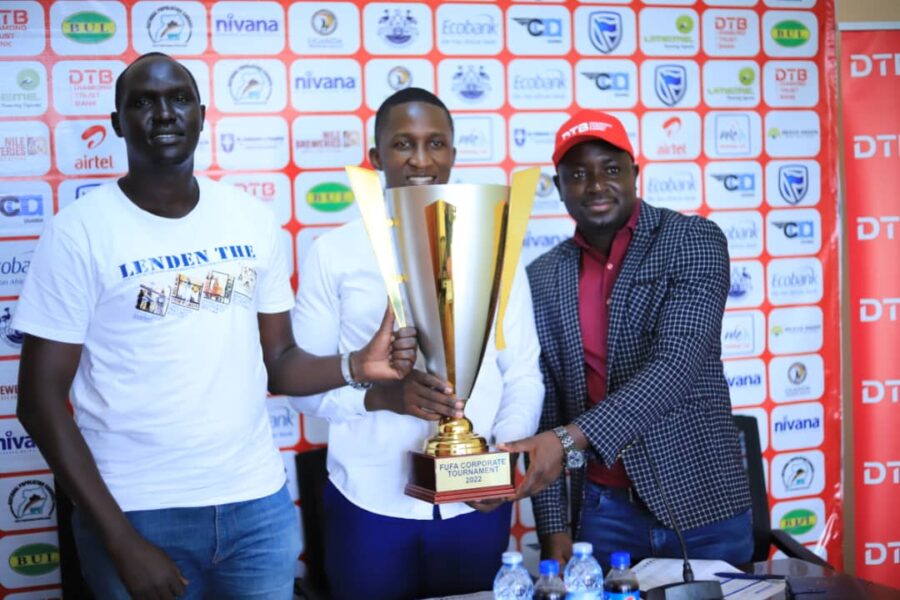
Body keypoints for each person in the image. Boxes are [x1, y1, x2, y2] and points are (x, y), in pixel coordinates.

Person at [13, 53, 417, 600]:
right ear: (117, 123)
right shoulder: (78, 234)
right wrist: (121, 540)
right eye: (143, 102)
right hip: (136, 510)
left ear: (201, 116)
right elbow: (38, 402)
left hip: (257, 508)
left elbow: (281, 364)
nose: (164, 113)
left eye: (179, 99)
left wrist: (356, 365)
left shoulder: (249, 219)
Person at [290, 87, 544, 600]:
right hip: (369, 505)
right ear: (376, 156)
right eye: (404, 144)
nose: (421, 160)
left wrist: (500, 457)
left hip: (474, 507)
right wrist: (382, 396)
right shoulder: (333, 253)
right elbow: (302, 389)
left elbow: (521, 371)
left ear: (453, 153)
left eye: (436, 143)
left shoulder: (496, 246)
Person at [501, 110, 753, 571]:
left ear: (635, 174)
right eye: (578, 175)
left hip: (702, 503)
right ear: (559, 188)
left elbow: (676, 365)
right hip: (602, 512)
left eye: (611, 169)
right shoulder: (543, 276)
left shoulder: (692, 240)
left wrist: (567, 440)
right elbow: (550, 404)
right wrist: (554, 528)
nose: (596, 185)